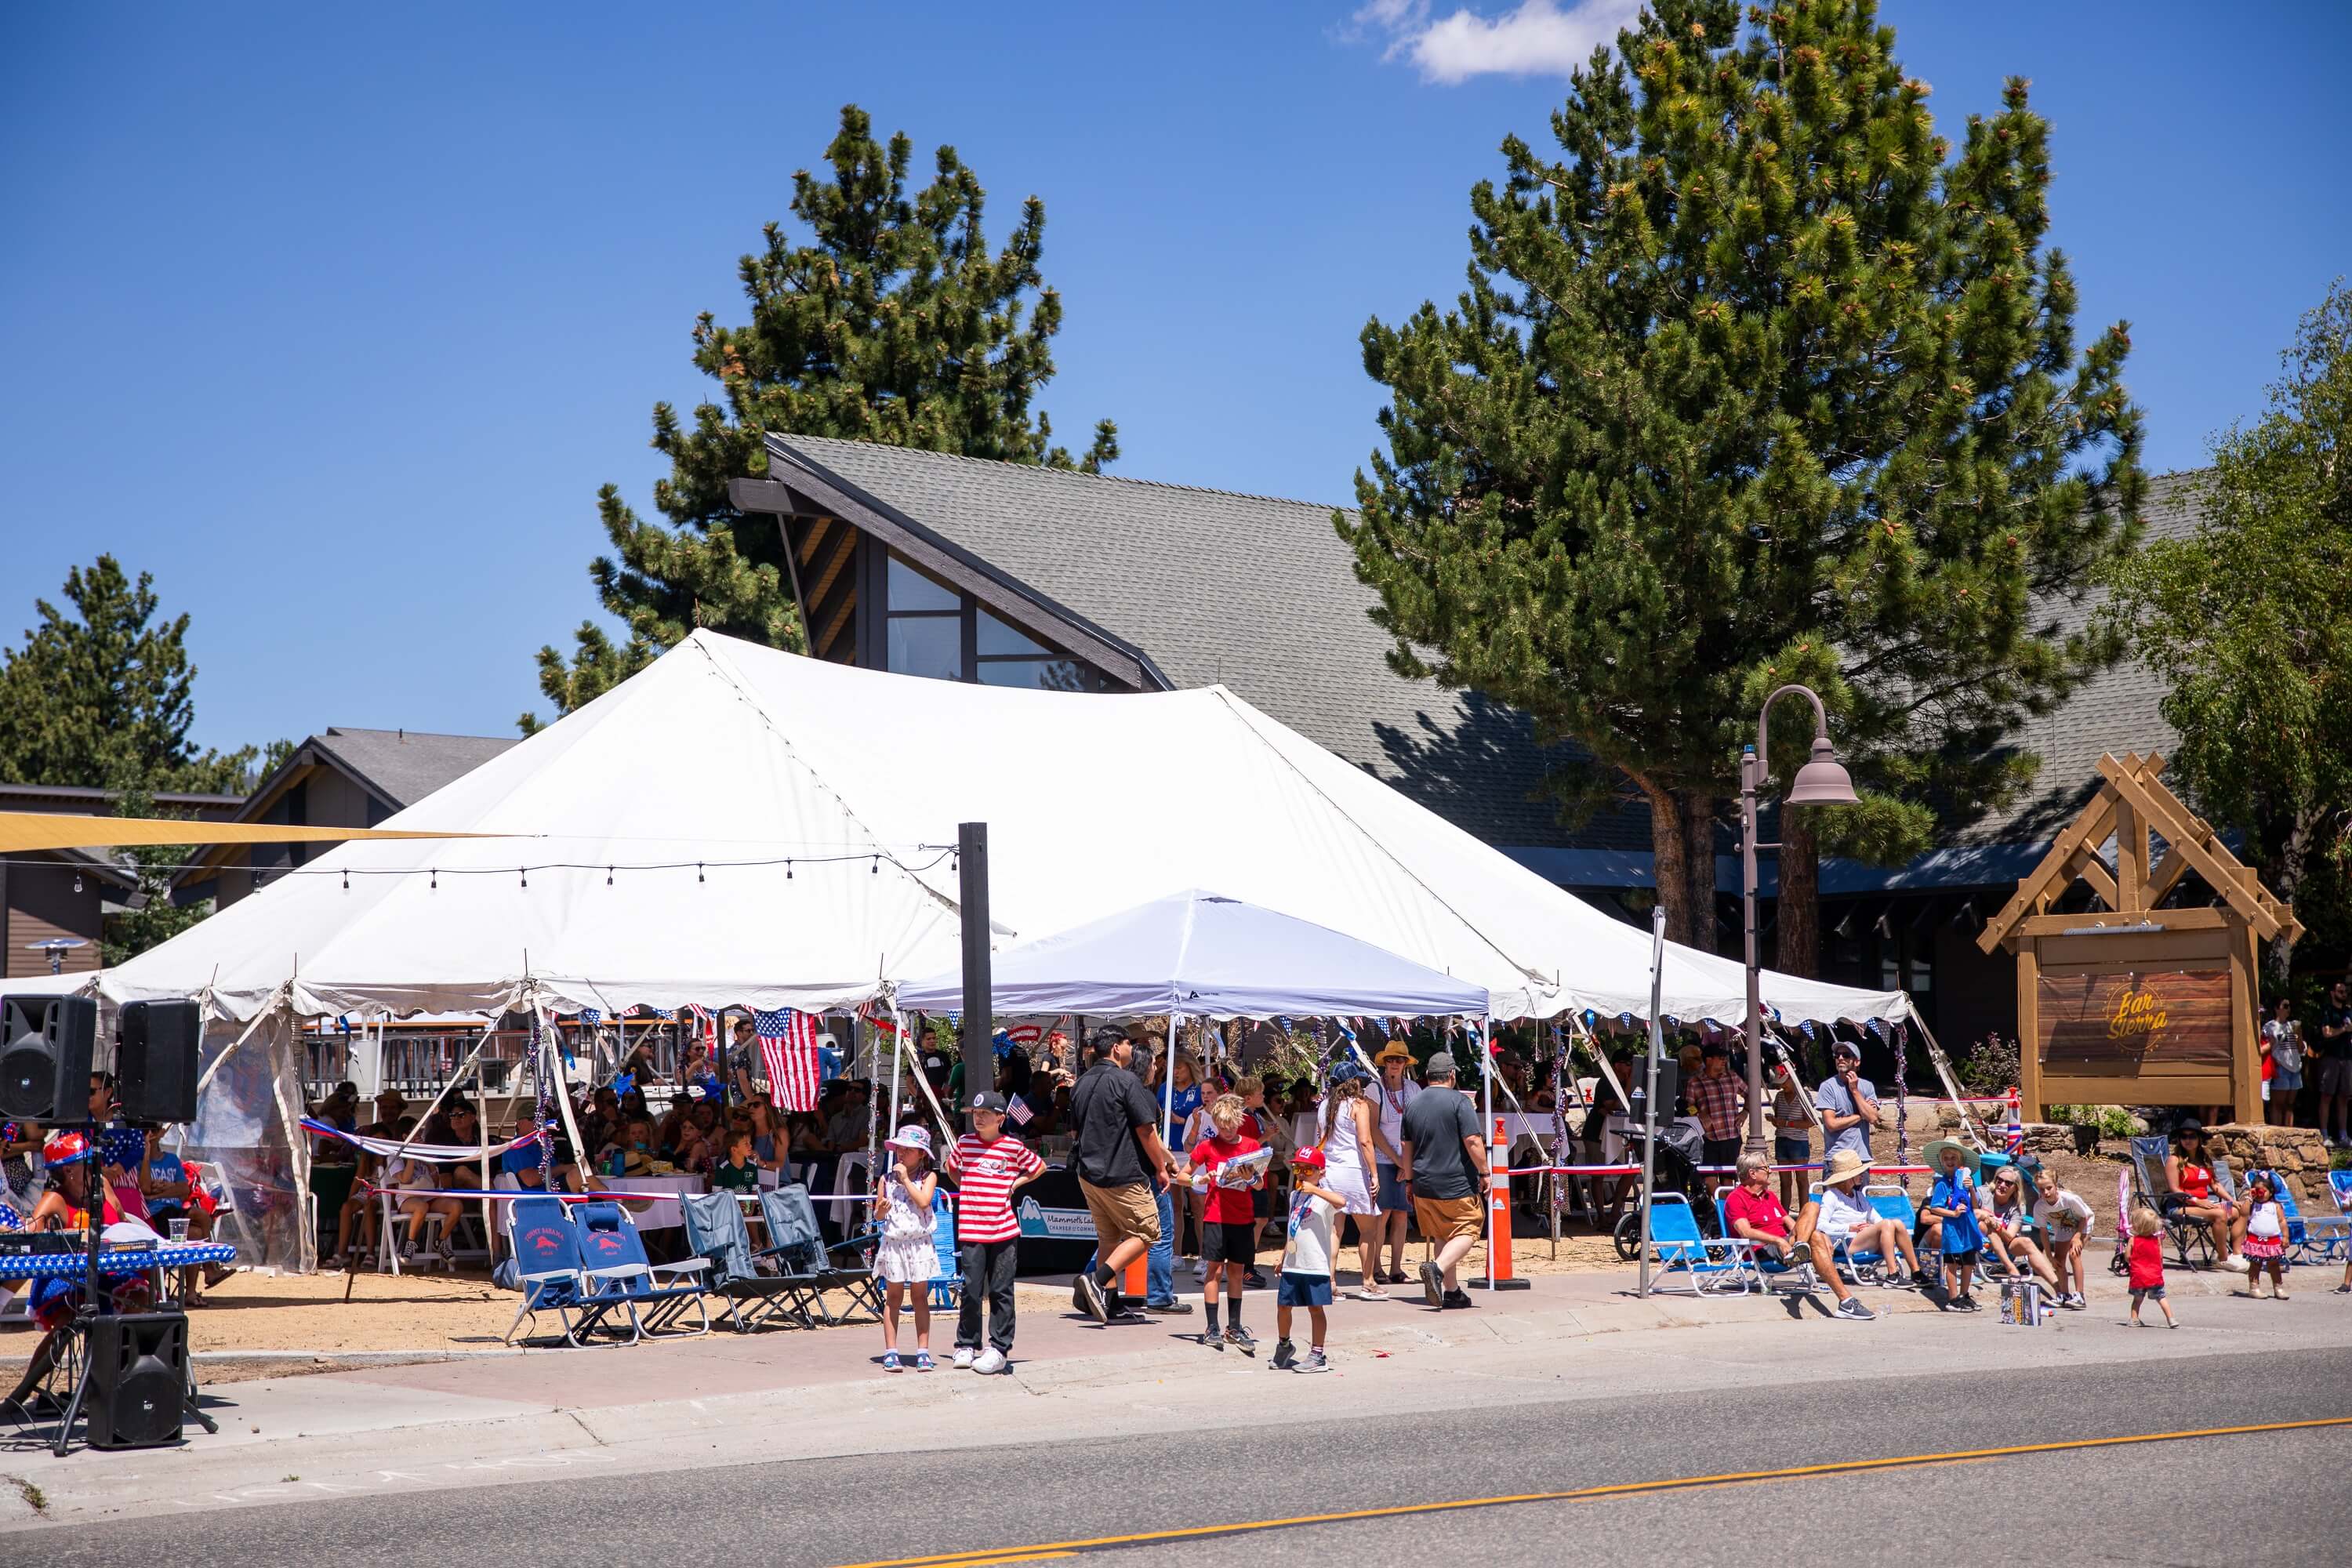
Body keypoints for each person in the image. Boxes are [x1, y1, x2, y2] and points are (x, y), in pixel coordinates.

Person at [1067, 1026, 1177, 1325]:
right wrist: (1160, 1167)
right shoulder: (1127, 1081)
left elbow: (1074, 1131)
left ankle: (1111, 1305)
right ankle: (1097, 1281)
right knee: (1148, 1232)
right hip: (1122, 1172)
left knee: (1109, 1238)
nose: (1132, 1048)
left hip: (1088, 1173)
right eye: (1130, 1043)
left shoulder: (1081, 1083)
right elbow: (1146, 1130)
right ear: (1117, 1048)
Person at [945, 1092, 1041, 1374]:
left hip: (1004, 1230)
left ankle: (998, 1348)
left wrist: (1014, 1184)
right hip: (972, 1228)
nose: (979, 1117)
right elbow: (952, 1168)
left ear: (1000, 1117)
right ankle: (966, 1344)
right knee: (971, 1290)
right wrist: (967, 1187)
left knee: (1001, 1291)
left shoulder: (1012, 1146)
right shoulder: (965, 1143)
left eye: (985, 1113)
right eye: (975, 1113)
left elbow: (1038, 1167)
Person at [1398, 1051, 1487, 1310]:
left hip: (1423, 1183)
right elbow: (1472, 1141)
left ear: (1427, 1076)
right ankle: (1436, 1269)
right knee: (1470, 1227)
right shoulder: (1460, 1102)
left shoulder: (1413, 1104)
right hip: (1456, 1182)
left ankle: (1451, 1291)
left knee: (1442, 1233)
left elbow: (1406, 1145)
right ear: (1452, 1075)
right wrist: (1485, 1172)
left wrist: (1409, 1181)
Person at [1191, 1093, 1267, 1352]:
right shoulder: (1208, 1147)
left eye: (1231, 1126)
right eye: (1221, 1126)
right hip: (1215, 1216)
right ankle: (1212, 1326)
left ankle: (1234, 1327)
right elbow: (1183, 1175)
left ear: (1238, 1121)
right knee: (1214, 1270)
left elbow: (1259, 1185)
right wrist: (1199, 1180)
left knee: (1236, 1271)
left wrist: (1250, 1178)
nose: (1226, 1131)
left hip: (1242, 1217)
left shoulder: (1250, 1146)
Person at [1315, 1064, 1386, 1300]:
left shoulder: (1324, 1106)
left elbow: (1319, 1138)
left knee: (1335, 1229)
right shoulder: (1359, 1105)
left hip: (1329, 1171)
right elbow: (1366, 1141)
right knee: (1368, 1229)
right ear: (1353, 1082)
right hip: (1353, 1170)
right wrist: (1374, 1174)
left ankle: (1330, 1282)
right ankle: (1368, 1282)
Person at [873, 1125, 941, 1371]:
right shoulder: (886, 1179)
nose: (902, 1154)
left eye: (909, 1150)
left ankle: (922, 1351)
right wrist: (881, 1209)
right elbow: (879, 1215)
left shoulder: (928, 1177)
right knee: (893, 1297)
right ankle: (891, 1351)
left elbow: (924, 1201)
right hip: (894, 1243)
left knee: (920, 1296)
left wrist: (904, 1179)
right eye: (900, 1148)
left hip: (918, 1242)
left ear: (922, 1153)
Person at [1813, 1146, 1923, 1290]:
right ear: (1848, 1177)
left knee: (1896, 1223)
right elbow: (1820, 1226)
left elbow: (1877, 1219)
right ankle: (1892, 1275)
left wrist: (1872, 1227)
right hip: (1845, 1243)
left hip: (1862, 1239)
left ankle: (1916, 1272)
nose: (1863, 1175)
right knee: (1887, 1224)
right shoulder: (1831, 1196)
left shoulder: (1858, 1195)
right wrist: (1848, 1227)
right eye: (1859, 1173)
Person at [1273, 1145, 1342, 1373]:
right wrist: (1284, 1256)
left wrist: (1315, 1190)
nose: (1302, 1173)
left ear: (1321, 1172)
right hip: (1294, 1262)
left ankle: (1317, 1354)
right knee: (1284, 1305)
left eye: (1308, 1169)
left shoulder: (1324, 1197)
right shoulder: (1295, 1195)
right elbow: (1293, 1230)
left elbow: (1341, 1202)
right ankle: (1284, 1344)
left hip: (1315, 1264)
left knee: (1315, 1309)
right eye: (1298, 1169)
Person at [1368, 1043, 1420, 1287]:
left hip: (1406, 1157)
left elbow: (1418, 1126)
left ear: (1405, 1063)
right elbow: (1373, 1129)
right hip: (1383, 1158)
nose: (1394, 1064)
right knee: (1382, 1214)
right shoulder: (1374, 1088)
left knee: (1401, 1215)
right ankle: (1375, 1266)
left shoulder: (1413, 1089)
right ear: (1385, 1062)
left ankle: (1396, 1268)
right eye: (1390, 1060)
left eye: (1399, 1060)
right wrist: (1399, 1160)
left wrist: (1407, 1162)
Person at [2164, 1121, 2246, 1270]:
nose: (2187, 1140)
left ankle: (2237, 1254)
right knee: (2220, 1214)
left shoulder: (2204, 1159)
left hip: (2203, 1205)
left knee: (2240, 1210)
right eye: (2183, 1137)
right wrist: (2197, 1201)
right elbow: (2174, 1189)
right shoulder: (2174, 1160)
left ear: (2199, 1139)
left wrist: (2232, 1201)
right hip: (2180, 1206)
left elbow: (2215, 1185)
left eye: (2192, 1136)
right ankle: (2223, 1259)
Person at [1921, 1138, 1984, 1309]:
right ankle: (1953, 1298)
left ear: (1960, 1161)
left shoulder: (1967, 1181)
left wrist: (1971, 1188)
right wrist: (1953, 1213)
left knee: (1969, 1262)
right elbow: (1935, 1208)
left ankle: (1964, 1294)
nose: (1950, 1161)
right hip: (1953, 1229)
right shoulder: (1942, 1184)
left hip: (1967, 1227)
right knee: (1952, 1263)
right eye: (1946, 1158)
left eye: (1953, 1158)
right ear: (1942, 1162)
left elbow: (1976, 1206)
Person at [1977, 1164, 2060, 1290]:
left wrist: (1996, 1225)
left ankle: (2059, 1289)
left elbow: (2009, 1237)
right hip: (1980, 1246)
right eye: (1999, 1180)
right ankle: (2011, 1268)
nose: (2002, 1185)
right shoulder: (1983, 1194)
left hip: (2006, 1248)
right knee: (1983, 1224)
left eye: (2008, 1183)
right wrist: (1982, 1215)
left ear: (2015, 1187)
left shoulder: (2018, 1206)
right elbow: (1969, 1213)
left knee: (2026, 1242)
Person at [2028, 1163, 2094, 1310]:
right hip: (2063, 1227)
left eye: (2049, 1188)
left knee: (2074, 1254)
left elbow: (2084, 1217)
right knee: (2058, 1261)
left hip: (2082, 1225)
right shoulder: (2040, 1206)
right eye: (2041, 1189)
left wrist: (2077, 1237)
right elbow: (2043, 1231)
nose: (2046, 1192)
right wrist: (2048, 1255)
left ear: (2055, 1185)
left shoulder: (2069, 1199)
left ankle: (2079, 1295)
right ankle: (2063, 1294)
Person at [1687, 1040, 1745, 1193]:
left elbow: (1750, 1094)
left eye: (1724, 1057)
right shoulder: (1695, 1082)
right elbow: (1688, 1106)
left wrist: (1745, 1112)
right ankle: (1724, 1210)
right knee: (1710, 1180)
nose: (1724, 1060)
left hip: (1732, 1136)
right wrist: (1699, 1114)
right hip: (1709, 1139)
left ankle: (1724, 1214)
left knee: (1728, 1181)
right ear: (1709, 1060)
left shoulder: (1732, 1077)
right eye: (1720, 1058)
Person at [1816, 1040, 1879, 1165]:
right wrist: (1861, 1115)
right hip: (1837, 1158)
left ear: (1857, 1061)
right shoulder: (1828, 1087)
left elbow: (1872, 1118)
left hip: (1862, 1157)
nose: (1840, 1058)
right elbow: (1831, 1124)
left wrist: (1855, 1090)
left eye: (1846, 1055)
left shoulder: (1867, 1086)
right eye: (1837, 1055)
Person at [1767, 1062, 1813, 1212]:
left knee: (1802, 1180)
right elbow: (1779, 1120)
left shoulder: (1804, 1096)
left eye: (1784, 1083)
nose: (1782, 1087)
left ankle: (1804, 1213)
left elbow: (1810, 1122)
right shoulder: (1780, 1096)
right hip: (1782, 1140)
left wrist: (1786, 1123)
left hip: (1799, 1142)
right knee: (1784, 1181)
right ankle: (1784, 1214)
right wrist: (1775, 1121)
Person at [2238, 1171, 2288, 1300]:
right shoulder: (2252, 1205)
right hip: (2255, 1240)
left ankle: (2278, 1287)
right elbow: (2243, 1213)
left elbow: (2282, 1221)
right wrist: (2250, 1197)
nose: (2259, 1195)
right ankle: (2254, 1287)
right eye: (2257, 1191)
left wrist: (2285, 1236)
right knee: (2255, 1264)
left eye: (2262, 1192)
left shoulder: (2275, 1206)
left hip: (2272, 1240)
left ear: (2270, 1192)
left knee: (2274, 1265)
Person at [2126, 1205, 2175, 1327]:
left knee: (2137, 1299)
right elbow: (2160, 1255)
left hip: (2138, 1275)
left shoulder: (2133, 1240)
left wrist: (2129, 1260)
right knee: (2161, 1298)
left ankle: (2134, 1319)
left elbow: (2128, 1256)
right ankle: (2171, 1319)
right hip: (2154, 1275)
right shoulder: (2157, 1240)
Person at [2319, 981, 2352, 1148]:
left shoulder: (2348, 1011)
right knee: (2327, 1095)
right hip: (2331, 1057)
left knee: (2344, 1097)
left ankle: (2343, 1135)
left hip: (2347, 1057)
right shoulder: (2327, 1011)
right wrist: (2342, 1030)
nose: (2343, 994)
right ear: (2333, 993)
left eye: (2345, 991)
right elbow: (2326, 1033)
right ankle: (2324, 1134)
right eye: (2340, 991)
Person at [2261, 999, 2303, 1130]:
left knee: (2290, 1105)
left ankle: (2289, 1135)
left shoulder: (2293, 1026)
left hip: (2295, 1068)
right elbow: (2266, 1049)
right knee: (2277, 1104)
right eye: (2285, 1006)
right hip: (2281, 1068)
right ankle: (2276, 1134)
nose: (2288, 1009)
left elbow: (2301, 1049)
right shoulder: (2269, 1027)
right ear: (2276, 1008)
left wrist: (2299, 1035)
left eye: (2289, 1006)